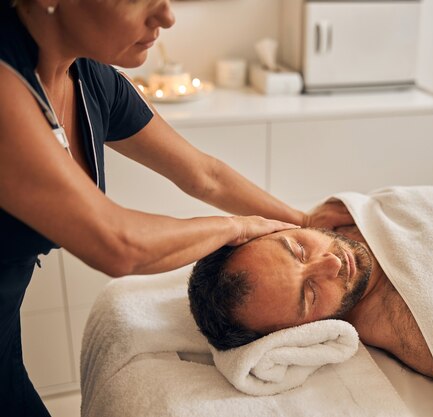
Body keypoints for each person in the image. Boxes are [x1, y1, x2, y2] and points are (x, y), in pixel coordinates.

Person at [0, 0, 351, 414]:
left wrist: (304, 221)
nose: (166, 16)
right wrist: (235, 229)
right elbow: (118, 244)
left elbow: (204, 175)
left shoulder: (91, 81)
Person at [188, 219, 433, 380]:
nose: (332, 262)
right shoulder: (416, 334)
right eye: (312, 294)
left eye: (299, 249)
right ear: (305, 332)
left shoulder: (343, 215)